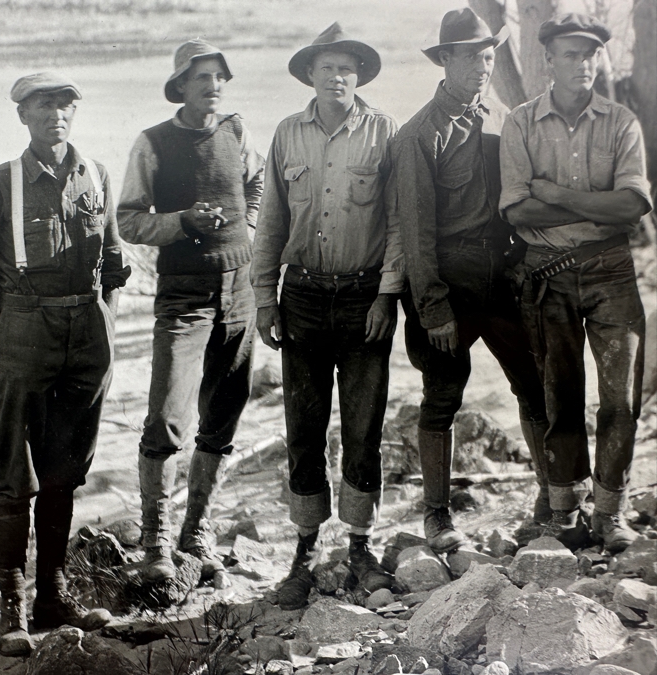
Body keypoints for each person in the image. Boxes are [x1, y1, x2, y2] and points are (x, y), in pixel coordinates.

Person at [0, 72, 128, 656]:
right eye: (42, 104)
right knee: (15, 475)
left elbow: (112, 259)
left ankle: (53, 593)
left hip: (86, 335)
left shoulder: (96, 174)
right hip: (23, 331)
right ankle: (13, 606)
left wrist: (103, 317)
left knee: (65, 470)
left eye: (63, 103)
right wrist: (3, 333)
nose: (55, 113)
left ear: (74, 112)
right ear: (23, 116)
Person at [251, 23, 403, 610]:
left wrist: (388, 295)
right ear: (309, 75)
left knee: (364, 426)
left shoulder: (385, 132)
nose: (336, 76)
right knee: (304, 427)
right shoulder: (288, 135)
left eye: (346, 67)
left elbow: (396, 223)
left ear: (359, 75)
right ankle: (305, 550)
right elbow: (271, 224)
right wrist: (265, 297)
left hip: (365, 299)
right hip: (304, 301)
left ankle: (361, 547)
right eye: (325, 67)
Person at [391, 8, 550, 554]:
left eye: (488, 57)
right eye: (472, 57)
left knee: (533, 386)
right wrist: (432, 307)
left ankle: (551, 500)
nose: (483, 66)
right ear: (446, 61)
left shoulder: (499, 120)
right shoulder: (419, 135)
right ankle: (437, 517)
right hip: (448, 286)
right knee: (441, 398)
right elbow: (415, 232)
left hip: (500, 278)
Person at [500, 13, 652, 552]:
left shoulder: (621, 121)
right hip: (547, 273)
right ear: (548, 60)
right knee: (560, 394)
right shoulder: (520, 123)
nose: (582, 64)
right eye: (570, 54)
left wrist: (559, 198)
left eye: (590, 54)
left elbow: (632, 205)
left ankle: (610, 511)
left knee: (620, 399)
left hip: (612, 269)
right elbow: (517, 210)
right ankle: (564, 511)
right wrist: (596, 208)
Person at [117, 40, 264, 584]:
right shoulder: (153, 143)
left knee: (223, 413)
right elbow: (129, 220)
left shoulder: (238, 130)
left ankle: (194, 532)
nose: (213, 86)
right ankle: (155, 542)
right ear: (180, 86)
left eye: (219, 77)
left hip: (240, 291)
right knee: (166, 418)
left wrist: (246, 224)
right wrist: (183, 222)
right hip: (184, 295)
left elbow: (258, 181)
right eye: (201, 78)